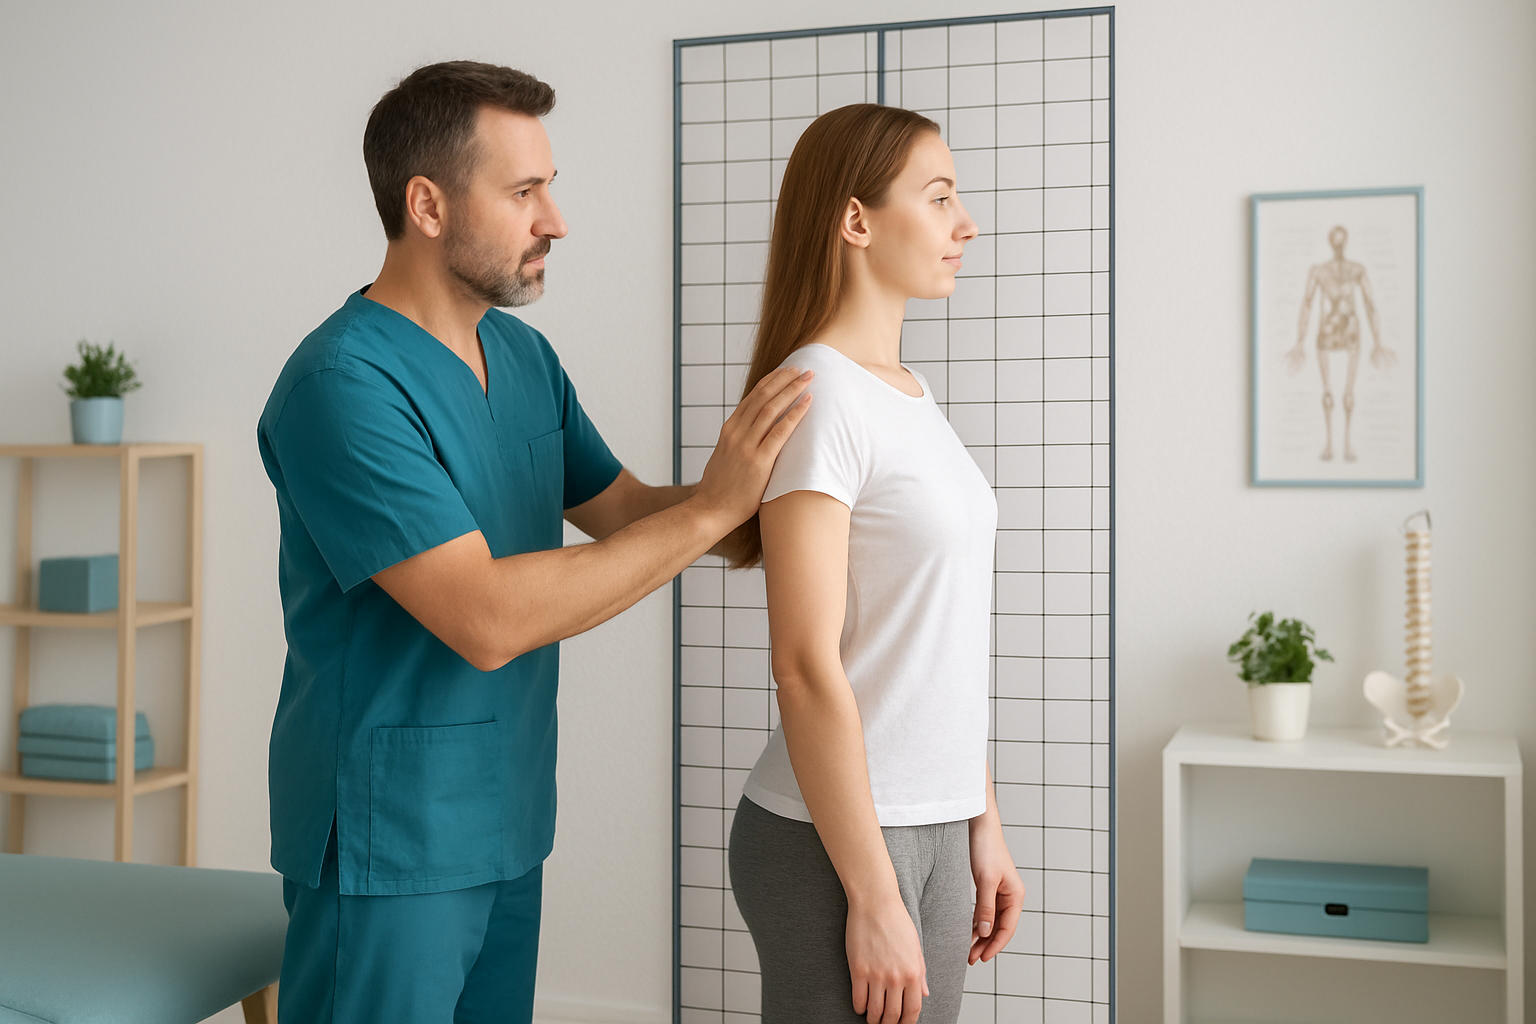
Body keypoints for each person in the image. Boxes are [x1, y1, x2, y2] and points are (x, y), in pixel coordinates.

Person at [256, 61, 811, 1024]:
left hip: (508, 820)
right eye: (524, 192)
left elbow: (626, 507)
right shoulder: (340, 387)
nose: (556, 219)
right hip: (395, 843)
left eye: (548, 187)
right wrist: (711, 513)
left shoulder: (521, 355)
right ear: (426, 204)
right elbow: (485, 617)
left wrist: (786, 505)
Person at [725, 104, 1024, 1024]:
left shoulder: (908, 398)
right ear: (856, 221)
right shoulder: (820, 399)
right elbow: (805, 664)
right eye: (938, 199)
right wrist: (873, 893)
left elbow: (937, 644)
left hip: (932, 819)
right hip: (838, 839)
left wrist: (982, 818)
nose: (964, 222)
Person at [1284, 224, 1393, 462]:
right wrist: (1377, 341)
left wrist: (1300, 342)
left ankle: (1334, 445)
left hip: (1334, 330)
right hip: (1344, 331)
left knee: (1333, 391)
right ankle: (1341, 445)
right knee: (1343, 391)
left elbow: (1308, 304)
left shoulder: (1321, 271)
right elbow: (1369, 304)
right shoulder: (1352, 270)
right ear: (1343, 242)